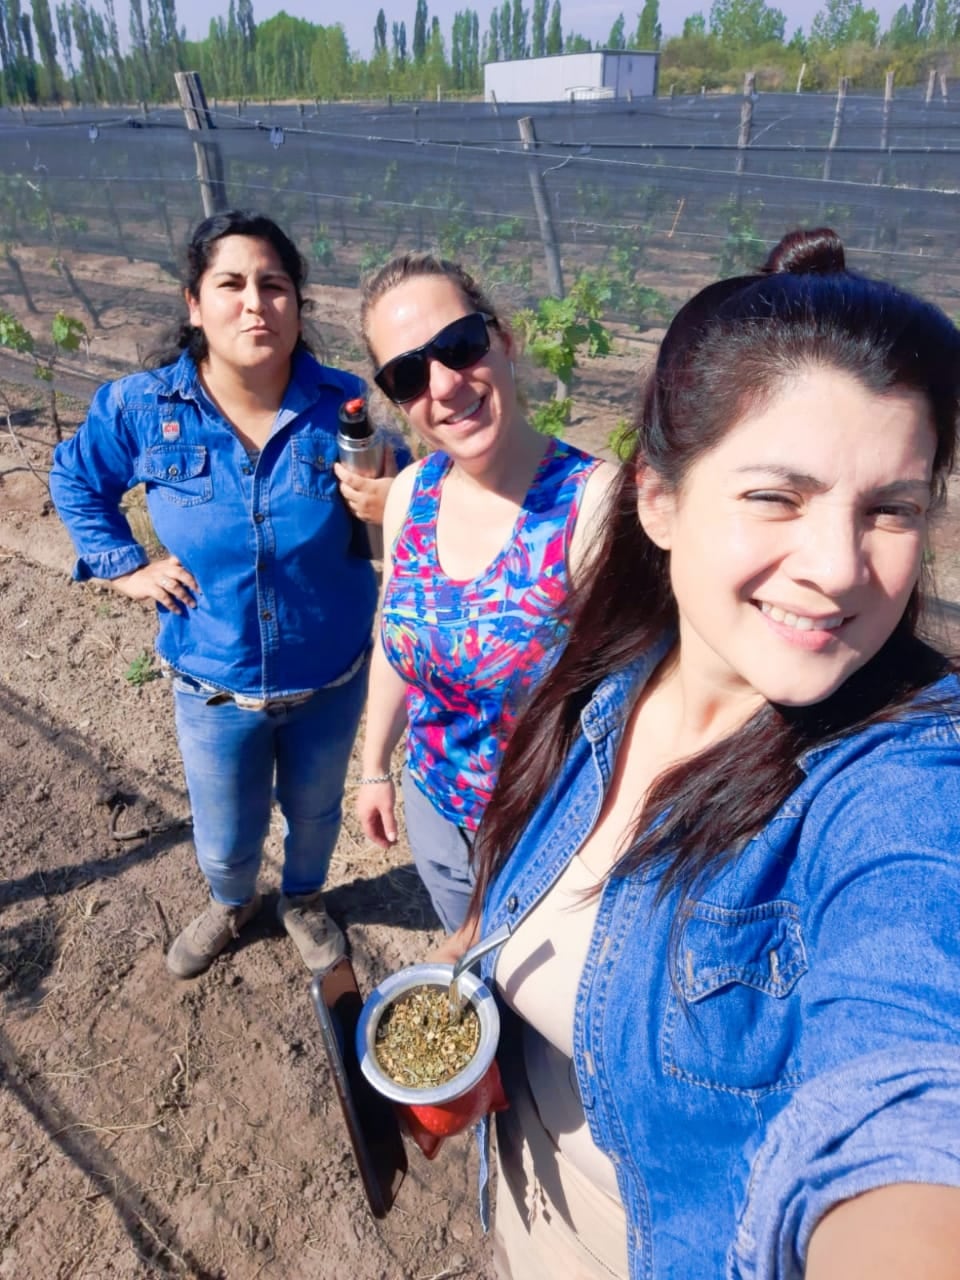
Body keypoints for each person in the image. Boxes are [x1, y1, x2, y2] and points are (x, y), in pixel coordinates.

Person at [441, 228, 960, 1278]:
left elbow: (905, 1076)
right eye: (778, 495)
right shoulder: (608, 674)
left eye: (890, 509)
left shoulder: (898, 782)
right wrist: (477, 964)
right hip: (531, 1222)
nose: (836, 567)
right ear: (661, 498)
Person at [50, 210, 399, 980]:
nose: (255, 303)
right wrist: (122, 565)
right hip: (213, 681)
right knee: (223, 831)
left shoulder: (338, 406)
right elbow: (76, 477)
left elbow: (393, 498)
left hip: (330, 674)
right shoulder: (142, 408)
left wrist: (386, 496)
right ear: (194, 302)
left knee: (312, 814)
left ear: (297, 305)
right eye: (231, 284)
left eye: (274, 285)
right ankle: (231, 902)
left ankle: (302, 901)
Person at [354, 252, 617, 932]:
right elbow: (395, 634)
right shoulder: (412, 493)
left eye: (459, 345)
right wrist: (375, 767)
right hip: (437, 815)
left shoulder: (590, 509)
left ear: (504, 339)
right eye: (408, 374)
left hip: (552, 838)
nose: (442, 384)